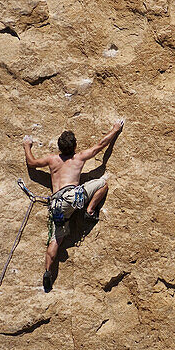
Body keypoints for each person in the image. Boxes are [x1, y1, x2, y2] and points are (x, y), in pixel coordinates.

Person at [23, 120, 124, 291]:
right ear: (75, 145)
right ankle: (90, 211)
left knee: (56, 239)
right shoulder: (79, 158)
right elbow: (100, 146)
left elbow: (32, 163)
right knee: (102, 184)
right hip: (72, 197)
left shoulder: (52, 160)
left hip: (56, 205)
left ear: (59, 147)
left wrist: (27, 146)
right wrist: (115, 130)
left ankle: (48, 271)